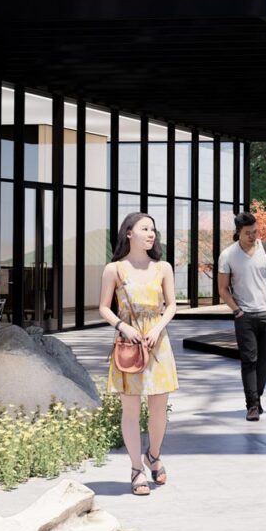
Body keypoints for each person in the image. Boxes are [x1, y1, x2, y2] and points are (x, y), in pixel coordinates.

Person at [99, 212, 178, 497]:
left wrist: (158, 328)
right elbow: (104, 307)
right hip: (128, 344)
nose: (151, 233)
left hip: (157, 342)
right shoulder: (114, 270)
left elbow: (171, 305)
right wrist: (122, 326)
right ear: (128, 233)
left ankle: (153, 455)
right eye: (145, 228)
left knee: (159, 409)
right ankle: (136, 469)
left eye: (153, 229)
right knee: (130, 410)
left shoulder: (163, 267)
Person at [218, 211, 266, 423]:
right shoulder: (228, 255)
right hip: (244, 316)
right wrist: (237, 310)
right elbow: (222, 288)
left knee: (265, 361)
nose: (253, 235)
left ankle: (257, 396)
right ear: (238, 232)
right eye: (248, 233)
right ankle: (252, 405)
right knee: (249, 361)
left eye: (255, 231)